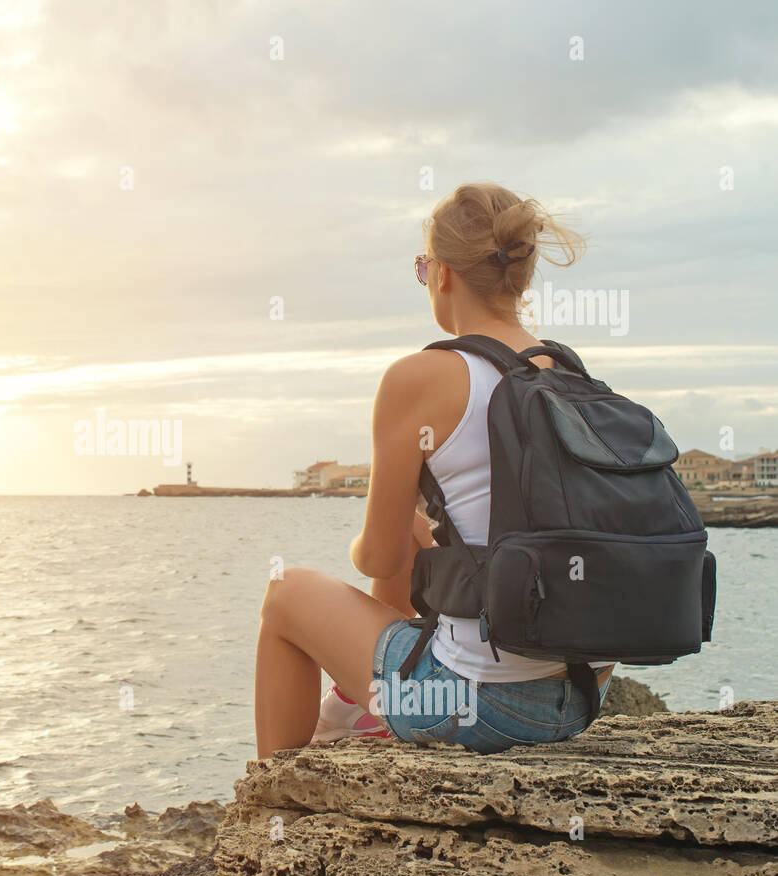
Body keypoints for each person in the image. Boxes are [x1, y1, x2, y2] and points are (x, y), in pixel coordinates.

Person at [255, 182, 615, 759]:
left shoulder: (420, 376)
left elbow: (378, 560)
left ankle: (276, 805)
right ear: (518, 276)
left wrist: (372, 538)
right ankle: (359, 705)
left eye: (422, 269)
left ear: (441, 274)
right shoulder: (567, 372)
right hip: (582, 695)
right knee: (422, 526)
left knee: (285, 594)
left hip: (481, 706)